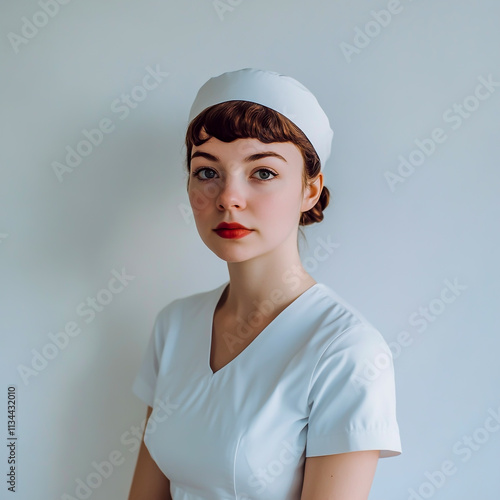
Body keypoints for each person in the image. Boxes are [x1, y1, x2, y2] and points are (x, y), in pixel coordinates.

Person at [128, 68, 402, 500]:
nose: (228, 197)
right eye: (206, 172)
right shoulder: (175, 325)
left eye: (263, 173)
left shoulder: (346, 351)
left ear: (310, 190)